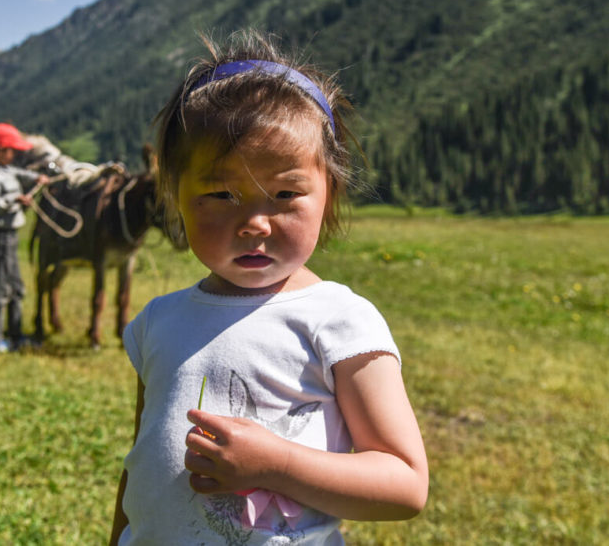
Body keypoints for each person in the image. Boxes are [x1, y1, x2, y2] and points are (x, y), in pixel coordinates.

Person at [110, 31, 428, 544]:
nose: (255, 222)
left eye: (284, 193)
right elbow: (141, 466)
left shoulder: (340, 321)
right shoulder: (156, 321)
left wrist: (276, 465)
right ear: (176, 193)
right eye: (220, 193)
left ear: (330, 192)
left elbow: (404, 485)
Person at [0, 122, 49, 352]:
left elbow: (20, 174)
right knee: (1, 287)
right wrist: (13, 201)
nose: (13, 154)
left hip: (10, 236)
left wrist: (37, 179)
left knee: (16, 286)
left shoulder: (5, 170)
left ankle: (15, 335)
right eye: (10, 150)